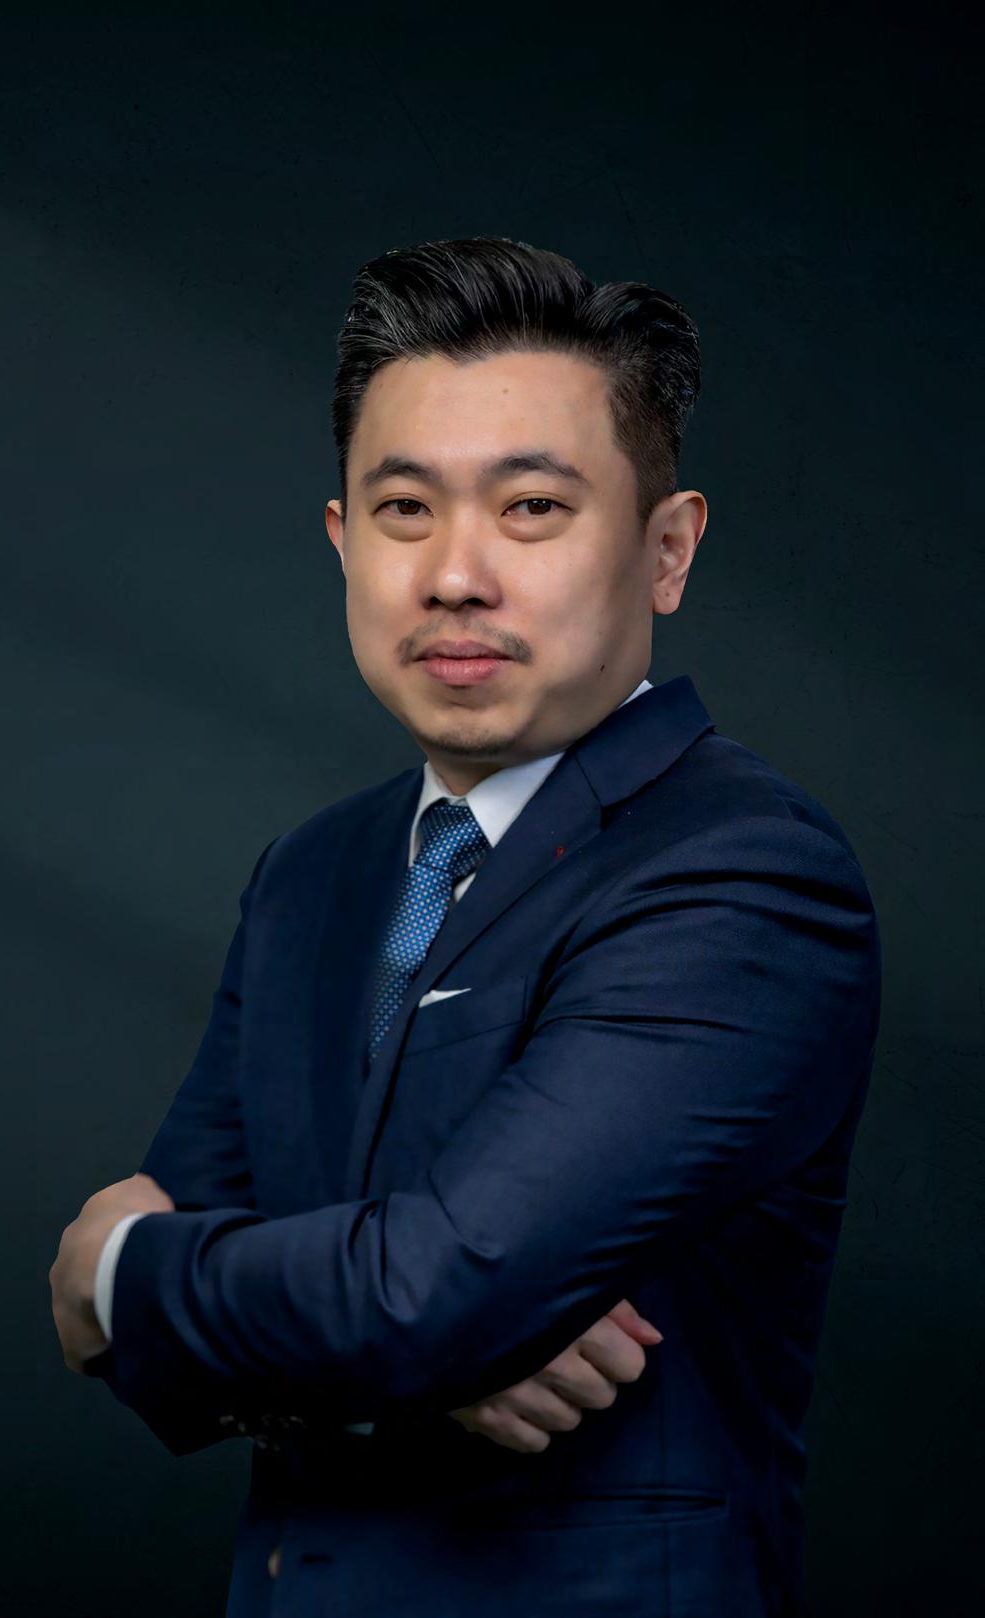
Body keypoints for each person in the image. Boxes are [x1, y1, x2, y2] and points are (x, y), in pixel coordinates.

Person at [50, 235, 881, 1617]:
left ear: (667, 549)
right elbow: (293, 1319)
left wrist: (114, 1268)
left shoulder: (742, 875)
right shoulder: (313, 873)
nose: (454, 574)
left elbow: (423, 1293)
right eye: (404, 508)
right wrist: (403, 1343)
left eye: (533, 507)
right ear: (342, 542)